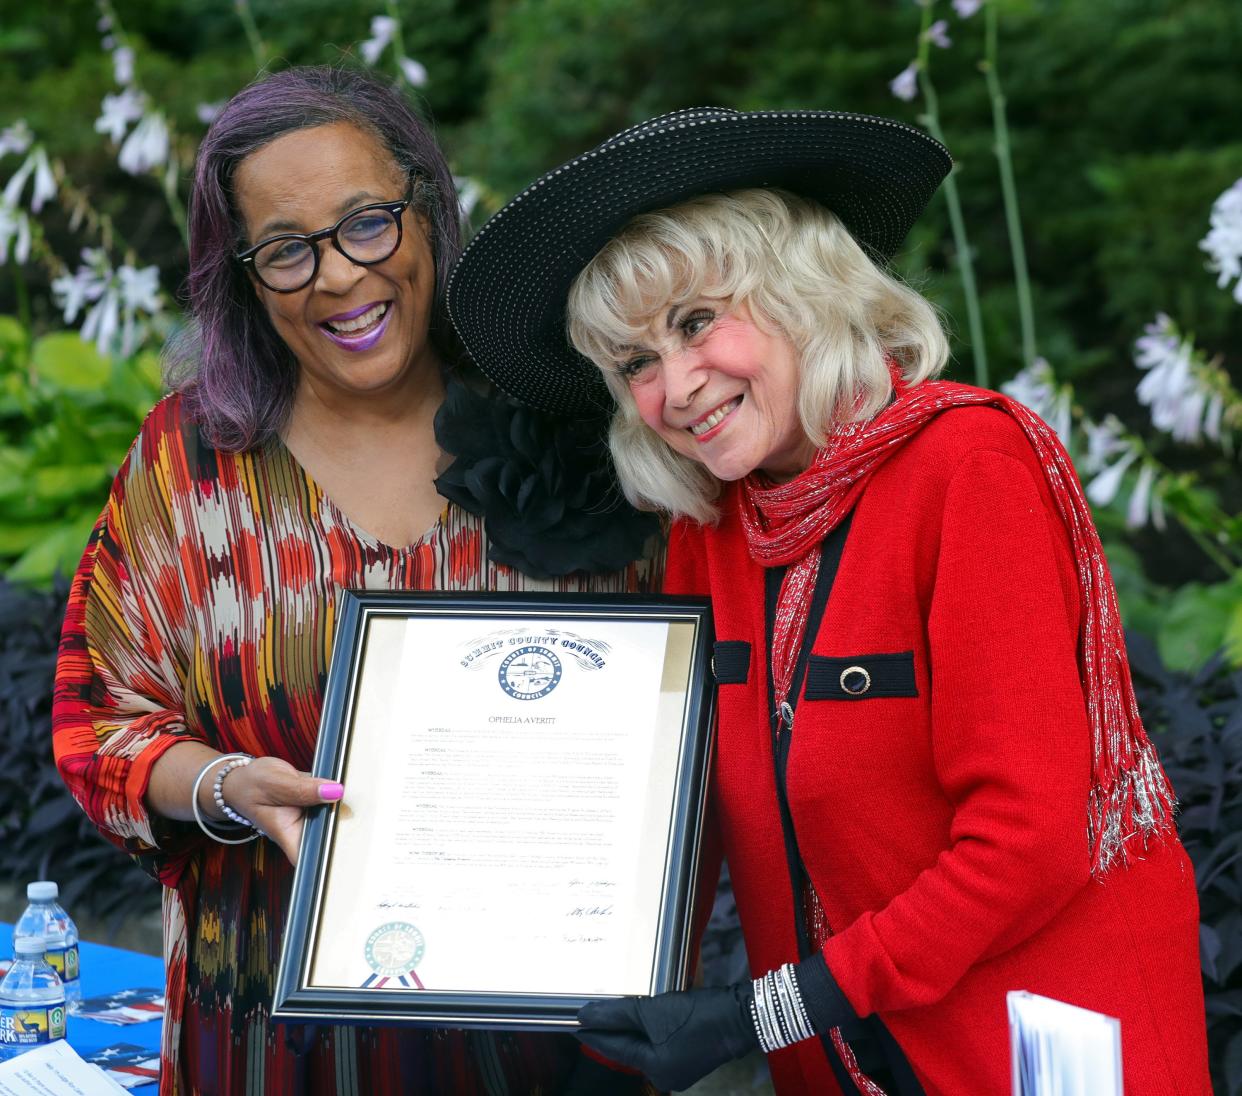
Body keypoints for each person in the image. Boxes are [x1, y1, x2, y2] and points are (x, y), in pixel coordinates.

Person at [446, 108, 1213, 1095]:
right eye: (634, 362)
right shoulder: (709, 532)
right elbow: (669, 812)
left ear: (801, 293)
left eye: (695, 322)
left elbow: (1027, 844)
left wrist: (752, 1012)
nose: (675, 384)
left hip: (1032, 1052)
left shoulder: (971, 465)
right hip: (839, 1065)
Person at [52, 67, 659, 1095]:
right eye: (287, 249)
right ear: (243, 275)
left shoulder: (560, 430)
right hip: (266, 1034)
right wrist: (224, 784)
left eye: (367, 223)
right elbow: (97, 719)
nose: (337, 275)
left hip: (547, 1039)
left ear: (427, 210)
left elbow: (678, 695)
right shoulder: (191, 462)